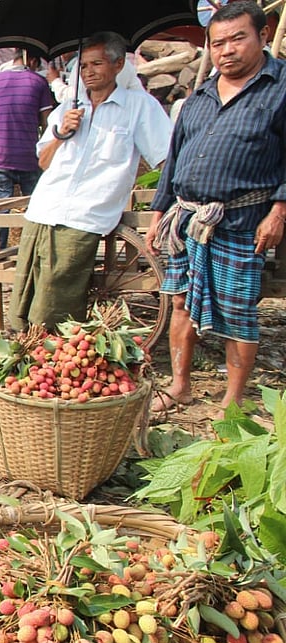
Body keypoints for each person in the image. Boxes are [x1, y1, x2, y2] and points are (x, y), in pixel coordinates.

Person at [148, 1, 286, 415]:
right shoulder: (200, 95)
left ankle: (233, 399)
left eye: (237, 39)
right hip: (187, 218)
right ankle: (180, 384)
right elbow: (175, 159)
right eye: (218, 42)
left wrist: (279, 211)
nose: (227, 50)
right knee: (180, 302)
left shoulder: (280, 89)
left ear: (263, 36)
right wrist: (158, 214)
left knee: (237, 309)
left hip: (242, 219)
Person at [7, 32, 171, 332]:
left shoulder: (139, 106)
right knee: (26, 287)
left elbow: (166, 159)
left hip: (87, 214)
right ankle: (24, 346)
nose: (89, 72)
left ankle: (55, 348)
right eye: (83, 66)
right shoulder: (69, 105)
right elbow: (43, 162)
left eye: (97, 63)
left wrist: (164, 205)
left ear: (119, 64)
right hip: (45, 206)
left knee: (59, 291)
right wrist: (60, 133)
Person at [0, 50, 54, 246]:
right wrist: (48, 152)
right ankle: (34, 250)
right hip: (30, 158)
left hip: (2, 157)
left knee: (1, 209)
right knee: (35, 209)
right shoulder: (38, 82)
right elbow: (48, 123)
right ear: (32, 60)